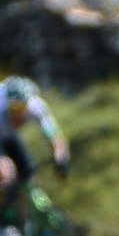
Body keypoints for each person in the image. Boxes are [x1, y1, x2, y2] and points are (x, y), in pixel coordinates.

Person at [0, 76, 71, 207]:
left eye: (21, 110)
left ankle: (25, 216)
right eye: (13, 110)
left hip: (9, 135)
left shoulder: (36, 107)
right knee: (6, 173)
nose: (17, 115)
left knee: (28, 175)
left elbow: (55, 136)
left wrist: (61, 160)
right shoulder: (1, 106)